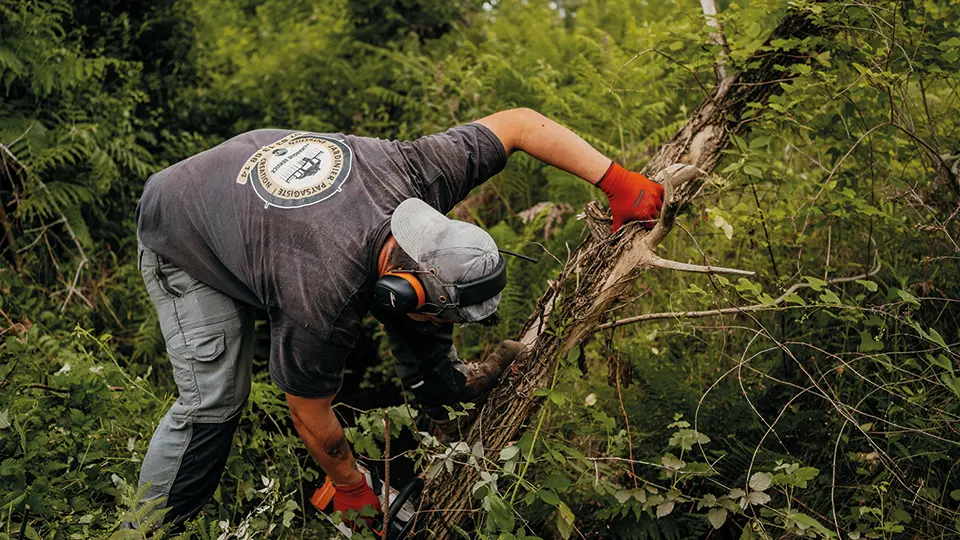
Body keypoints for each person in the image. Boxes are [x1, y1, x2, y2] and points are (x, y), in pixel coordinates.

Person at [133, 108, 664, 529]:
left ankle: (445, 392)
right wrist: (348, 485)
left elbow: (520, 124)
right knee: (214, 400)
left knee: (428, 300)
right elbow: (306, 410)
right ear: (395, 291)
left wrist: (615, 179)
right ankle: (146, 527)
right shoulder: (323, 296)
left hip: (244, 188)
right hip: (181, 226)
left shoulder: (418, 171)